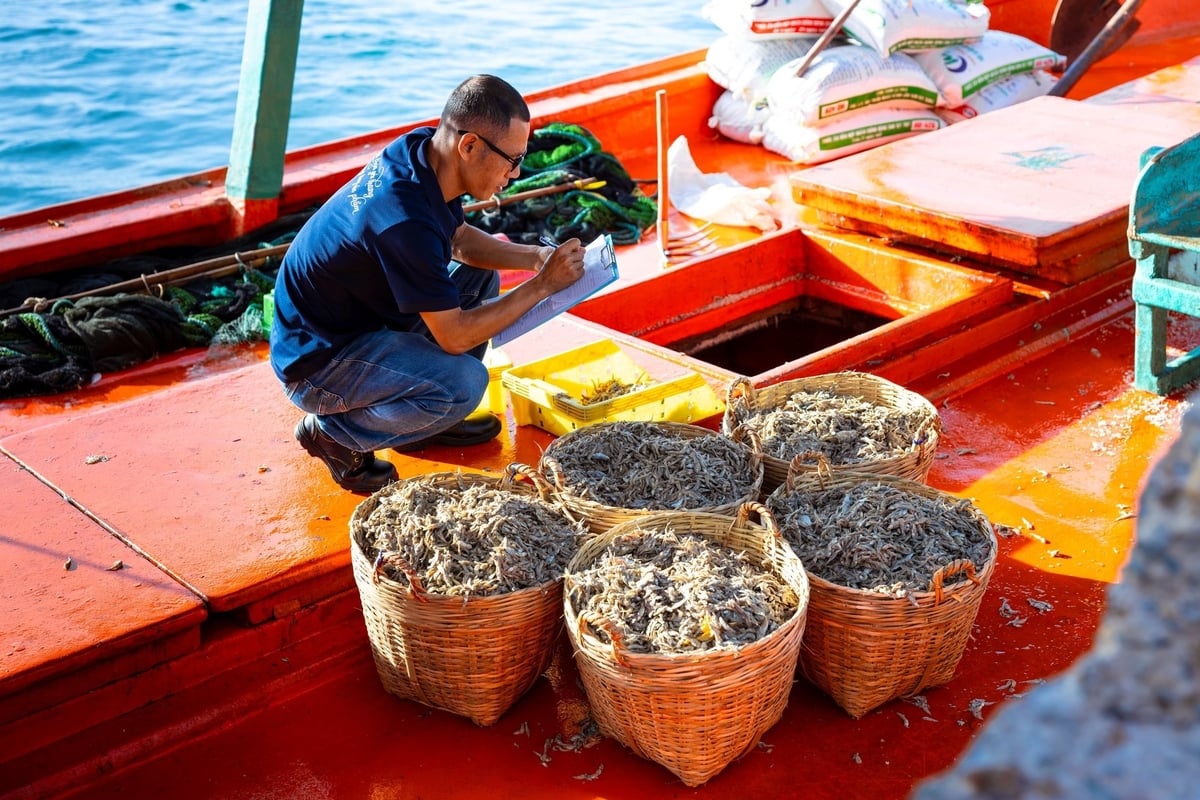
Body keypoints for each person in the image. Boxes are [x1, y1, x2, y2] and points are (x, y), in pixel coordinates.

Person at [269, 75, 586, 493]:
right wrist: (542, 286)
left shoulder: (422, 152)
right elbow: (454, 337)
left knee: (478, 277)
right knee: (464, 384)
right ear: (468, 145)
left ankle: (424, 423)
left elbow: (457, 239)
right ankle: (336, 435)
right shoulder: (403, 220)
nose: (516, 172)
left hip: (359, 325)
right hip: (318, 365)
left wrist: (534, 257)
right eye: (513, 159)